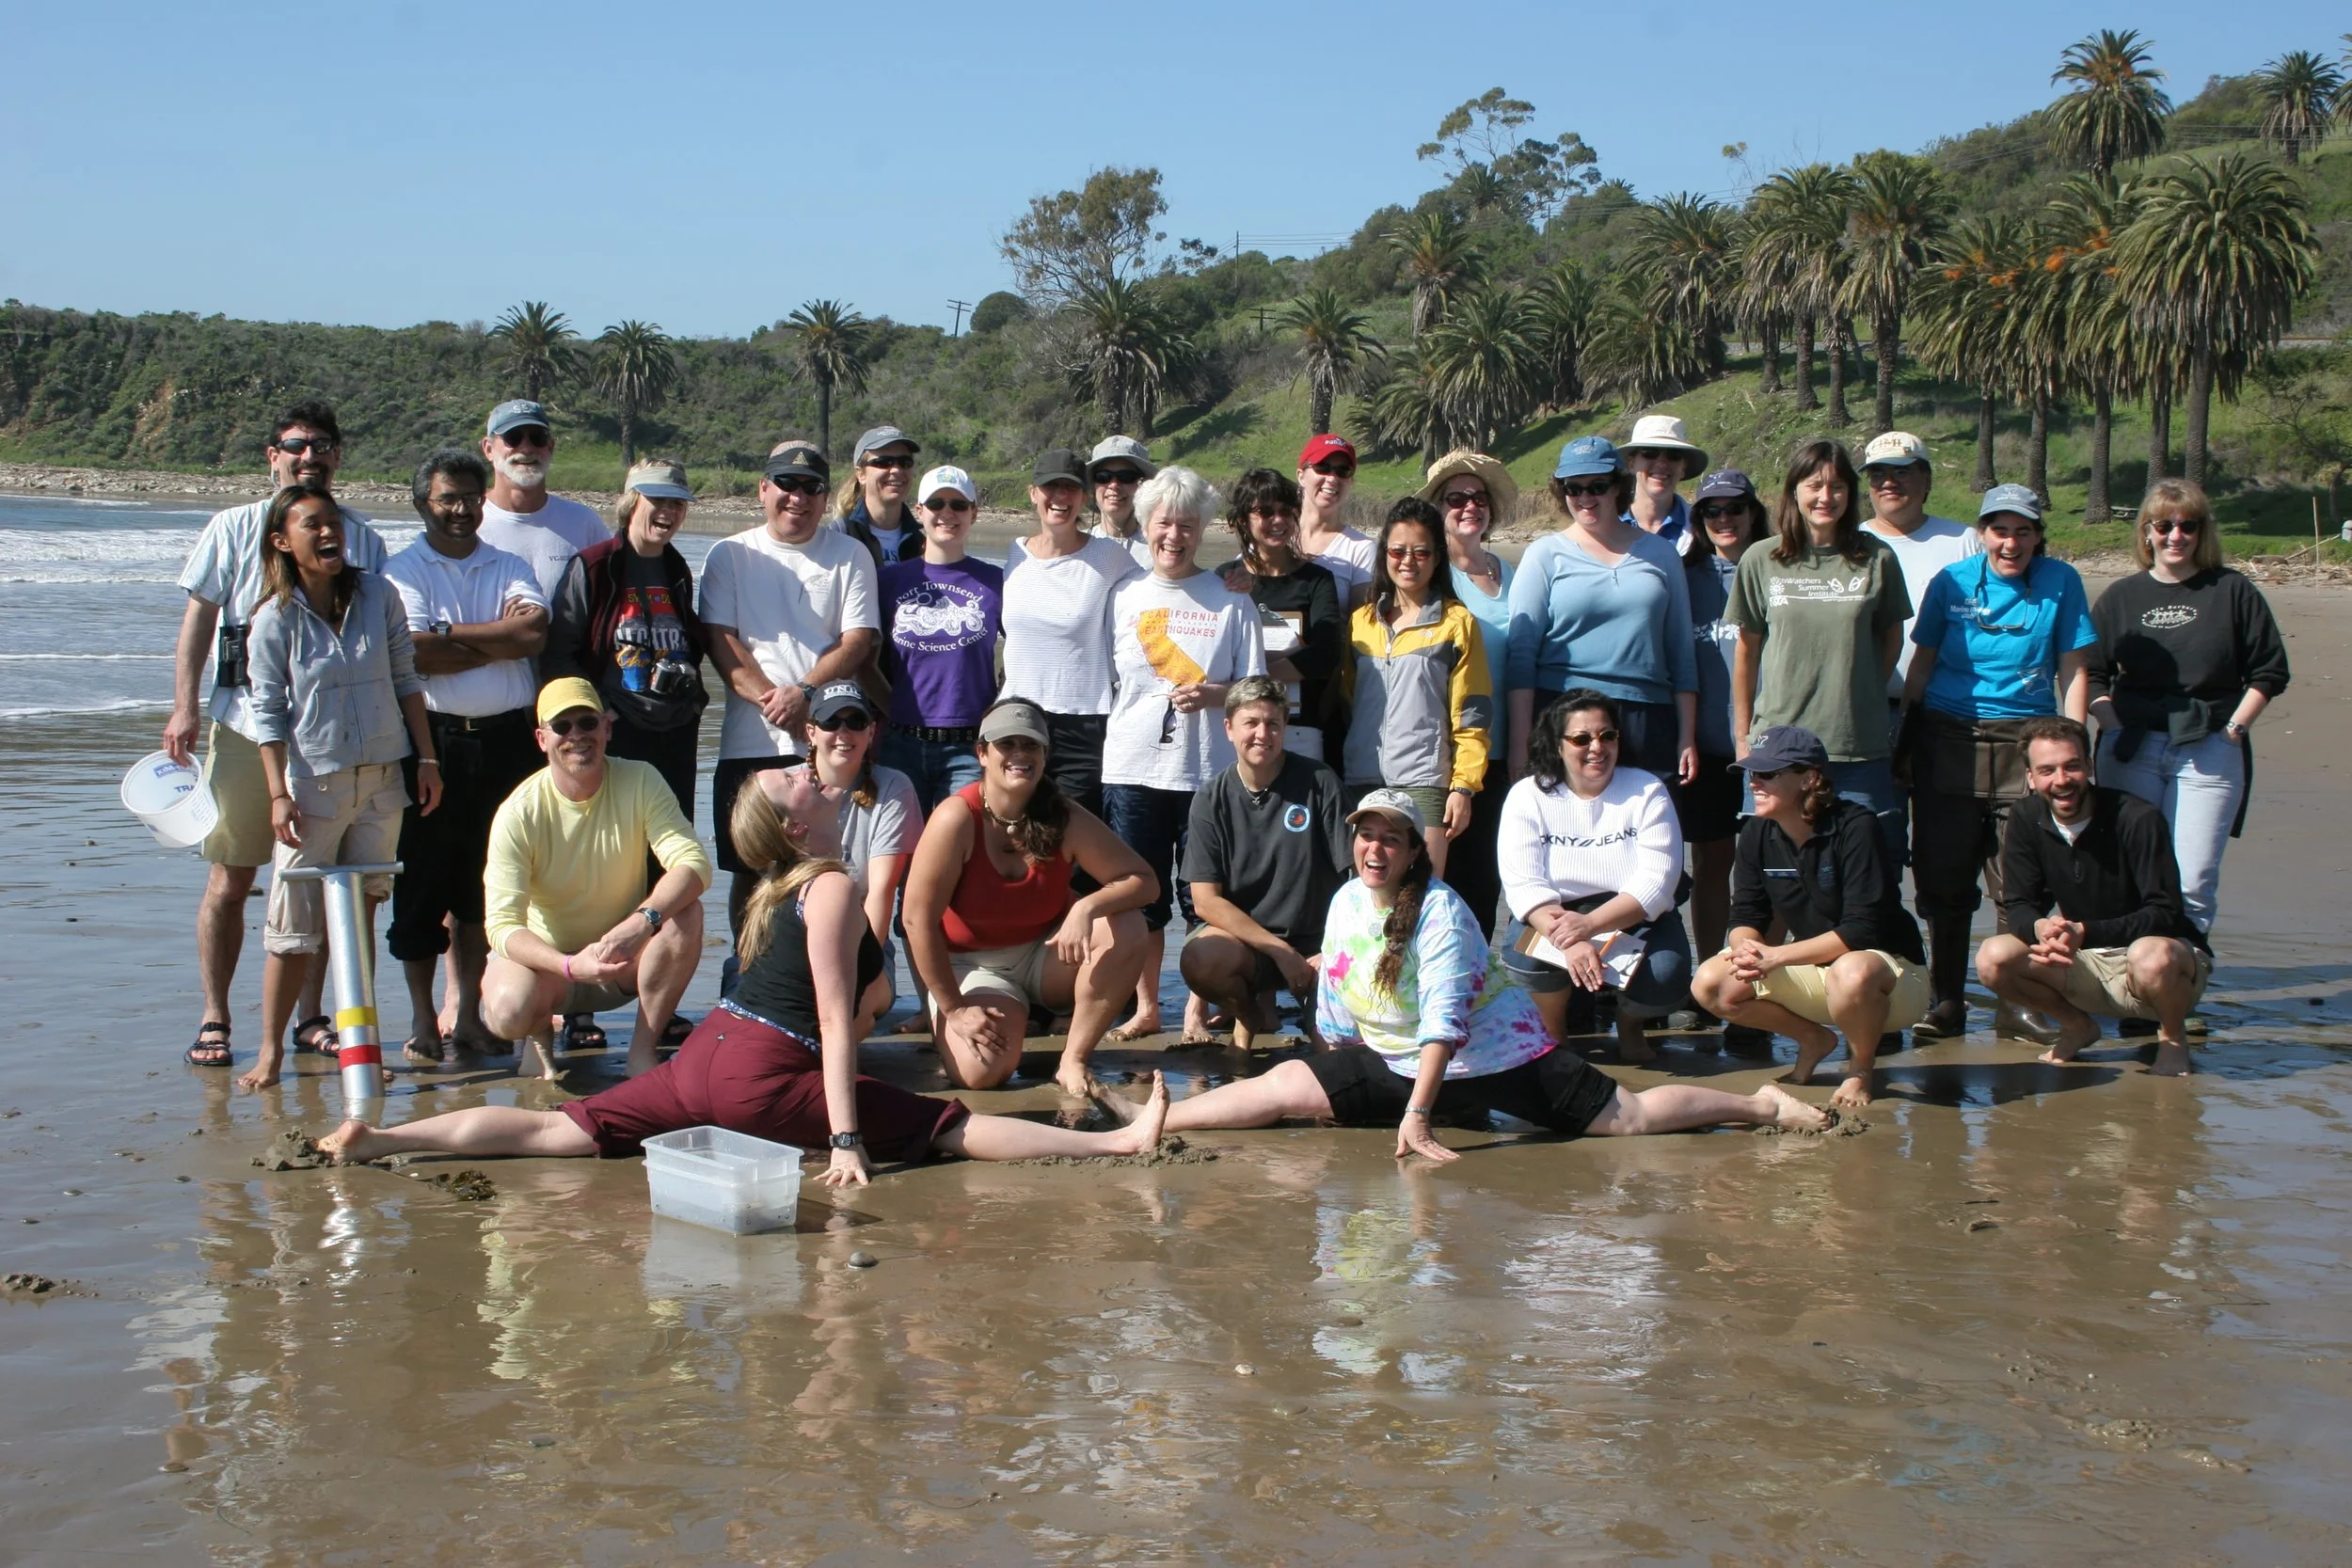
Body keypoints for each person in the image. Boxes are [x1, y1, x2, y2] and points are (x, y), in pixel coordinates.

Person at [318, 781, 1173, 1180]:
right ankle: (1116, 1144)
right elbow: (835, 1021)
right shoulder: (828, 886)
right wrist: (846, 1138)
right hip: (760, 1072)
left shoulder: (773, 889)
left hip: (705, 1057)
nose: (810, 773)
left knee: (557, 1131)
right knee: (949, 1125)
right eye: (795, 781)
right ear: (798, 827)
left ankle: (386, 1139)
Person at [1095, 790, 1830, 1154]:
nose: (1375, 849)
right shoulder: (1348, 899)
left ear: (1416, 850)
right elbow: (1340, 994)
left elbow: (1446, 1025)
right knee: (1288, 1084)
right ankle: (1154, 1118)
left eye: (1390, 839)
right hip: (1398, 1058)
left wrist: (1417, 1116)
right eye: (1365, 836)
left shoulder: (1443, 913)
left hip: (1498, 1056)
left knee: (1627, 1119)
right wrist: (1333, 1059)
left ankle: (1760, 1105)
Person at [167, 401, 389, 1068]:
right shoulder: (232, 527)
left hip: (332, 742)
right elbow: (199, 621)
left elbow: (382, 638)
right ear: (273, 456)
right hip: (243, 725)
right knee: (232, 877)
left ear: (338, 456)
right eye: (296, 445)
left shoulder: (363, 538)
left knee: (325, 881)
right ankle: (215, 1016)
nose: (309, 455)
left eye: (322, 444)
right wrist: (184, 708)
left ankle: (311, 1016)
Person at [236, 485, 440, 1090]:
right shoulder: (273, 618)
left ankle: (359, 1048)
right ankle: (270, 1053)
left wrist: (427, 759)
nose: (329, 533)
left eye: (334, 522)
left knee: (358, 921)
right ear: (282, 541)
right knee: (292, 931)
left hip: (382, 780)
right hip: (312, 787)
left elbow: (406, 678)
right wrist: (278, 795)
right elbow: (267, 714)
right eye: (313, 525)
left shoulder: (378, 594)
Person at [1897, 483, 2096, 1039]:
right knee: (1943, 877)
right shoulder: (1952, 581)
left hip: (2026, 739)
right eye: (2000, 531)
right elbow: (1921, 663)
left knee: (2018, 880)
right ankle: (1945, 1001)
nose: (2011, 543)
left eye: (2023, 531)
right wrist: (1906, 739)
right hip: (1949, 736)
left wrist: (2075, 744)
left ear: (2038, 536)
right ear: (1982, 534)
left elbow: (2074, 668)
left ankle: (2017, 1003)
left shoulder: (2061, 581)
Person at [379, 449, 548, 1065]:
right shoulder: (401, 571)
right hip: (433, 745)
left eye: (471, 497)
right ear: (422, 503)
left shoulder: (507, 563)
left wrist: (450, 634)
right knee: (423, 882)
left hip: (508, 743)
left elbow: (531, 634)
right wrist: (491, 640)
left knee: (488, 883)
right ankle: (424, 1018)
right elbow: (416, 653)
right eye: (447, 498)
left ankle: (471, 1015)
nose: (460, 509)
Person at [901, 698, 1157, 1098]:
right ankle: (967, 1021)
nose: (1019, 754)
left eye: (1030, 745)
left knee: (1126, 923)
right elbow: (916, 920)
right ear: (982, 753)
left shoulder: (1064, 815)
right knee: (982, 1074)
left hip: (1046, 957)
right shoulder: (956, 817)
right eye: (1007, 744)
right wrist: (955, 1008)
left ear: (1045, 755)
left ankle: (1073, 1059)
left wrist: (1087, 906)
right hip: (973, 965)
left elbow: (1144, 881)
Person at [1099, 466, 1268, 1040]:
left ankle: (1196, 1009)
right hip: (1131, 768)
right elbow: (1104, 678)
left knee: (1203, 899)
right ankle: (1147, 1007)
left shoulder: (1231, 599)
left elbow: (1255, 690)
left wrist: (1216, 694)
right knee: (1139, 896)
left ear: (1202, 530)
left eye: (1187, 525)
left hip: (1209, 775)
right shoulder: (1122, 594)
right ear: (1146, 525)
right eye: (1164, 523)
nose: (1174, 536)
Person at [2089, 478, 2291, 937]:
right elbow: (2092, 671)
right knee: (2131, 870)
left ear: (2203, 532)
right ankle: (2132, 971)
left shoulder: (2232, 590)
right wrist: (2112, 726)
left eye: (2188, 526)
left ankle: (2185, 968)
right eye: (2164, 526)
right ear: (2146, 531)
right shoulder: (2121, 596)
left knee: (2192, 878)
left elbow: (2269, 671)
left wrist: (2234, 731)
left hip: (2209, 747)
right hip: (2131, 747)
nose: (2175, 536)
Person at [479, 677, 709, 1079]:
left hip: (622, 957)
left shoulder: (641, 779)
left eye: (587, 723)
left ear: (607, 728)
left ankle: (642, 1052)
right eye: (561, 726)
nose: (576, 736)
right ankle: (538, 1035)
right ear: (542, 739)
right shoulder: (517, 812)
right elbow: (501, 925)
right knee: (508, 1011)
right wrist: (567, 965)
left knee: (687, 913)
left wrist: (642, 922)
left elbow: (694, 863)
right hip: (549, 970)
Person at [1691, 726, 1930, 1110]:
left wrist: (1776, 956)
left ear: (1809, 778)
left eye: (1768, 773)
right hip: (1819, 971)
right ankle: (1813, 1039)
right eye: (1752, 773)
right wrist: (1747, 949)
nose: (1754, 783)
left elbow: (1860, 930)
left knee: (1852, 969)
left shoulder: (1856, 825)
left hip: (1894, 980)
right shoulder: (1755, 832)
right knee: (1710, 981)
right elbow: (1746, 913)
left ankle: (1860, 1069)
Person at [699, 439, 881, 944]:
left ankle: (829, 972)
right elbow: (720, 641)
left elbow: (857, 640)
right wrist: (775, 701)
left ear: (825, 497)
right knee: (749, 870)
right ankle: (744, 973)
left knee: (831, 868)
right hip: (748, 742)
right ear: (763, 489)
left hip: (829, 740)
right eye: (786, 484)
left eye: (811, 487)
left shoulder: (850, 555)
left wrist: (805, 695)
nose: (797, 497)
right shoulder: (729, 554)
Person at [1976, 718, 2212, 1077]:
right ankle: (2077, 1026)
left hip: (2161, 961)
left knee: (2151, 956)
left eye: (2071, 766)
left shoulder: (2138, 818)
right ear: (2030, 778)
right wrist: (2041, 928)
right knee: (1993, 957)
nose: (2061, 780)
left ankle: (2173, 1038)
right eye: (2047, 770)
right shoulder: (2026, 816)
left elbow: (2166, 913)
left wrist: (2085, 932)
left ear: (2089, 766)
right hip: (2085, 959)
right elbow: (2019, 903)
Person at [1726, 438, 1912, 853]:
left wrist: (1857, 686)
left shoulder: (1877, 557)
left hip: (1857, 748)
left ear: (1850, 494)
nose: (1825, 497)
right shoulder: (1761, 558)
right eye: (1814, 485)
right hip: (1776, 750)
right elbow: (1746, 652)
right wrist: (1743, 735)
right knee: (1775, 873)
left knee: (1867, 871)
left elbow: (1891, 639)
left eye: (1837, 486)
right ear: (1794, 491)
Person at [1497, 690, 1692, 1064]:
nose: (1596, 747)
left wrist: (1588, 926)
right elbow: (1523, 886)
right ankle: (1555, 1034)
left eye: (1607, 735)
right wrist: (1570, 939)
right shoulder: (1527, 795)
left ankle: (1629, 1027)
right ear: (1557, 745)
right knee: (1524, 956)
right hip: (1556, 915)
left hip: (1630, 915)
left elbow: (1657, 883)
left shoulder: (1648, 790)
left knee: (1667, 973)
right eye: (1581, 739)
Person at [1505, 435, 1698, 785]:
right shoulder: (1543, 555)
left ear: (1618, 486)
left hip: (1647, 716)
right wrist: (1520, 745)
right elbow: (1521, 656)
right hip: (1564, 715)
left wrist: (1687, 736)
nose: (1585, 497)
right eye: (1573, 488)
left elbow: (1681, 651)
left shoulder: (1661, 554)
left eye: (1597, 486)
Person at [1177, 677, 1352, 1051]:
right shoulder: (1210, 798)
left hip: (1319, 947)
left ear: (1285, 728)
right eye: (1251, 723)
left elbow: (1354, 882)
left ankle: (1317, 1016)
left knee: (1334, 1056)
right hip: (1249, 945)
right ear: (1229, 728)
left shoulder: (1320, 781)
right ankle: (1248, 1015)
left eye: (1273, 723)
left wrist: (1334, 949)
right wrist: (1279, 951)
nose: (1262, 734)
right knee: (1201, 957)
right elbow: (1205, 901)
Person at [542, 458, 709, 820]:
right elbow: (557, 655)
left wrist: (694, 705)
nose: (669, 511)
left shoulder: (677, 569)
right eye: (658, 500)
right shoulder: (594, 566)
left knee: (672, 840)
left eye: (677, 503)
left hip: (677, 731)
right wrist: (598, 713)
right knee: (616, 839)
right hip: (617, 731)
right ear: (632, 502)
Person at [1340, 499, 1492, 882]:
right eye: (1398, 551)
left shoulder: (1457, 622)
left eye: (1421, 552)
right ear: (1384, 555)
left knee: (1421, 897)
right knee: (1367, 899)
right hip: (1362, 780)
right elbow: (1346, 699)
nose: (1408, 561)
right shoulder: (1361, 622)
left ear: (1437, 557)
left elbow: (1473, 712)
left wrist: (1463, 787)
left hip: (1424, 780)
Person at [761, 681, 922, 1035]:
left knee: (850, 1015)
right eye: (831, 722)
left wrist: (860, 972)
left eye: (856, 722)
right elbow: (769, 890)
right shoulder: (784, 789)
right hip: (791, 943)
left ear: (872, 732)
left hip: (862, 946)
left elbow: (881, 893)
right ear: (810, 732)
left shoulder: (894, 788)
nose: (843, 733)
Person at [1679, 469, 1772, 1053]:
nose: (1724, 519)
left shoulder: (1775, 569)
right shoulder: (1684, 576)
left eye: (1734, 508)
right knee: (1711, 867)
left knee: (1768, 872)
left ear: (1753, 512)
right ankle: (1709, 984)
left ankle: (1757, 992)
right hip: (1706, 748)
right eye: (1711, 511)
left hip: (1768, 748)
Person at [1001, 448, 1143, 817]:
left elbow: (1163, 588)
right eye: (1051, 487)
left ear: (1084, 497)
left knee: (1071, 835)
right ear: (1033, 493)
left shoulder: (1109, 557)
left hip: (1083, 722)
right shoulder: (1014, 556)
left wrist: (1227, 576)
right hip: (1017, 718)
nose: (1060, 497)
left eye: (1071, 488)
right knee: (1014, 831)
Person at [1426, 449, 1518, 936]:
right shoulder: (1432, 577)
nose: (1469, 507)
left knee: (1487, 883)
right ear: (1438, 509)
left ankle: (1479, 977)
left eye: (1479, 498)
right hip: (1448, 757)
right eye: (1456, 498)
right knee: (1440, 889)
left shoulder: (1513, 574)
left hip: (1505, 755)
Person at [877, 464, 1004, 814]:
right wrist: (893, 707)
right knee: (899, 843)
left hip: (969, 746)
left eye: (958, 505)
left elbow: (1026, 652)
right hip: (900, 742)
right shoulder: (887, 581)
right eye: (936, 504)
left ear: (974, 513)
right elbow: (863, 658)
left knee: (963, 841)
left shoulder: (998, 582)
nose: (947, 513)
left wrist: (1001, 705)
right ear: (919, 512)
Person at [1212, 467, 1344, 762]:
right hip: (1239, 729)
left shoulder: (1317, 579)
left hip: (1300, 730)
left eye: (1286, 511)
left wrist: (1254, 673)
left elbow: (1326, 655)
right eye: (1265, 512)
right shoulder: (1224, 580)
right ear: (1242, 520)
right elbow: (1216, 656)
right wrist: (1288, 661)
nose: (1278, 520)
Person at [1858, 430, 1981, 713]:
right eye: (1878, 474)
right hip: (1865, 710)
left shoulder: (1964, 541)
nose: (1889, 482)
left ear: (1927, 481)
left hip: (1945, 713)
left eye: (1902, 472)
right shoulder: (1850, 544)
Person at [474, 399, 612, 604]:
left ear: (551, 446)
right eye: (513, 438)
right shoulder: (469, 523)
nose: (526, 448)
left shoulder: (584, 522)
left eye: (537, 438)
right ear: (488, 449)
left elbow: (609, 597)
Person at [1294, 435, 1375, 606]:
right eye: (1322, 467)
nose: (1332, 478)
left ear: (1350, 481)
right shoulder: (1273, 537)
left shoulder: (1360, 549)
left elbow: (1361, 618)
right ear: (1301, 476)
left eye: (1343, 471)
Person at [833, 425, 925, 569]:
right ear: (860, 474)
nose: (896, 470)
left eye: (904, 462)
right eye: (884, 462)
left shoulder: (923, 544)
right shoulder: (839, 536)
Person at [1620, 412, 1708, 558]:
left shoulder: (1705, 528)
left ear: (1683, 468)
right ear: (1631, 464)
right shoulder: (1604, 526)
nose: (1661, 463)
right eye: (1649, 453)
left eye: (1674, 455)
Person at [1087, 434, 1157, 569]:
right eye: (1103, 477)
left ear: (1142, 485)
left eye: (1126, 477)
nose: (1114, 485)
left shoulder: (1160, 550)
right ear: (1093, 485)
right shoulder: (1075, 547)